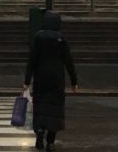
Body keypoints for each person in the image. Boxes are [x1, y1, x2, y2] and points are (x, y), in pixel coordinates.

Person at [24, 11, 78, 152]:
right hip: (56, 78)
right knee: (55, 108)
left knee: (40, 106)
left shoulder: (37, 37)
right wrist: (74, 81)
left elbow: (32, 59)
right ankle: (50, 141)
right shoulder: (60, 38)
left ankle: (40, 130)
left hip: (41, 77)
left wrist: (27, 80)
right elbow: (68, 60)